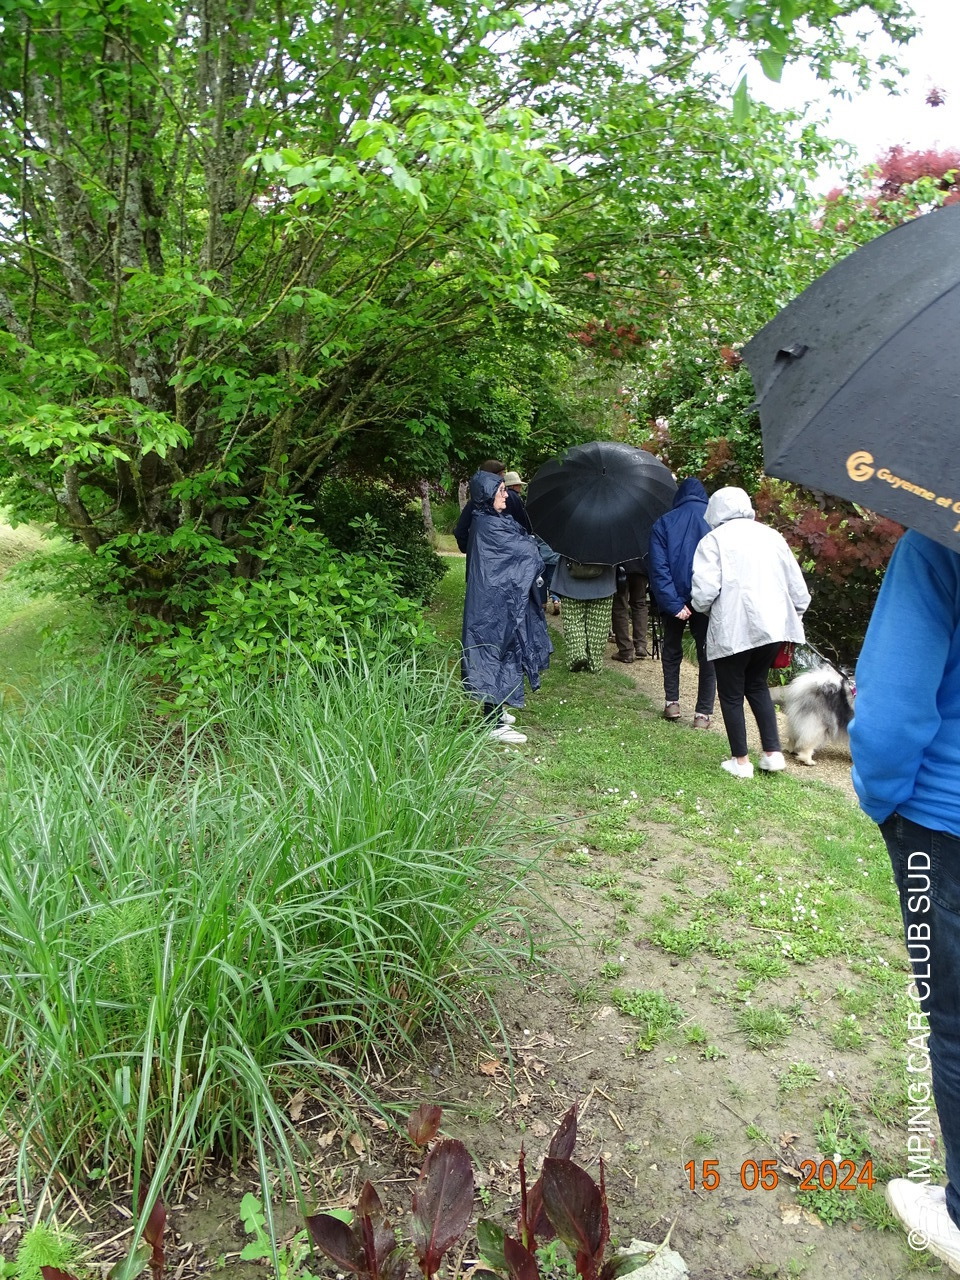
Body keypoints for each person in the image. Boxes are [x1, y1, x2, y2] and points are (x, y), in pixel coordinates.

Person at [849, 530, 960, 1271]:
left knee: (954, 1022)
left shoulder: (940, 537)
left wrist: (881, 799)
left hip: (942, 828)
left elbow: (890, 715)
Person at [690, 486, 809, 779]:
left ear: (714, 511)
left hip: (733, 628)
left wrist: (706, 610)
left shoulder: (713, 540)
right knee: (756, 685)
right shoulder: (772, 536)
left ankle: (741, 761)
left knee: (731, 694)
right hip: (773, 628)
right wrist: (791, 617)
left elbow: (704, 593)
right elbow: (799, 592)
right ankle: (772, 754)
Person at [461, 470, 552, 743]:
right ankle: (493, 722)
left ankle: (497, 711)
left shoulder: (489, 520)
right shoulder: (489, 526)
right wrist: (531, 546)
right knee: (495, 652)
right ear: (487, 495)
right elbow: (524, 554)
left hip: (497, 602)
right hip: (493, 605)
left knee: (502, 651)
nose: (505, 495)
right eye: (500, 490)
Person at [648, 477, 716, 728]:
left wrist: (674, 604)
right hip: (706, 600)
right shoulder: (714, 522)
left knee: (671, 648)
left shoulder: (663, 522)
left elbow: (658, 568)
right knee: (707, 654)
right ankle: (703, 714)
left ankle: (672, 703)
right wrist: (707, 599)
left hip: (673, 599)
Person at [550, 555, 617, 674]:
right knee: (598, 625)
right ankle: (595, 664)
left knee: (573, 621)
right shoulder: (612, 542)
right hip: (603, 582)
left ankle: (578, 654)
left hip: (570, 581)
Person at [454, 460, 529, 554]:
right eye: (502, 475)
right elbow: (525, 528)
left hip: (483, 556)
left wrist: (473, 549)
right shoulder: (512, 497)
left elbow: (461, 531)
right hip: (510, 555)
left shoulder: (474, 502)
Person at [611, 557, 649, 663]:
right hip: (642, 567)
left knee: (620, 607)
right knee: (640, 604)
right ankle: (641, 645)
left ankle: (626, 650)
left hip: (621, 567)